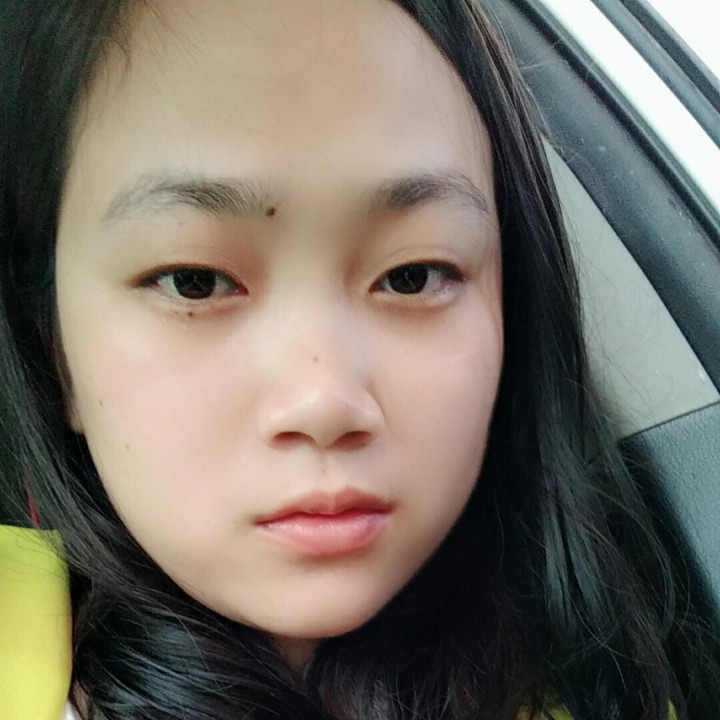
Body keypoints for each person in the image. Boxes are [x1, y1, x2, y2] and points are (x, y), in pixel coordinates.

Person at [0, 1, 717, 718]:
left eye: (412, 276)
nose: (325, 399)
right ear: (56, 347)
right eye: (195, 282)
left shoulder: (619, 684)